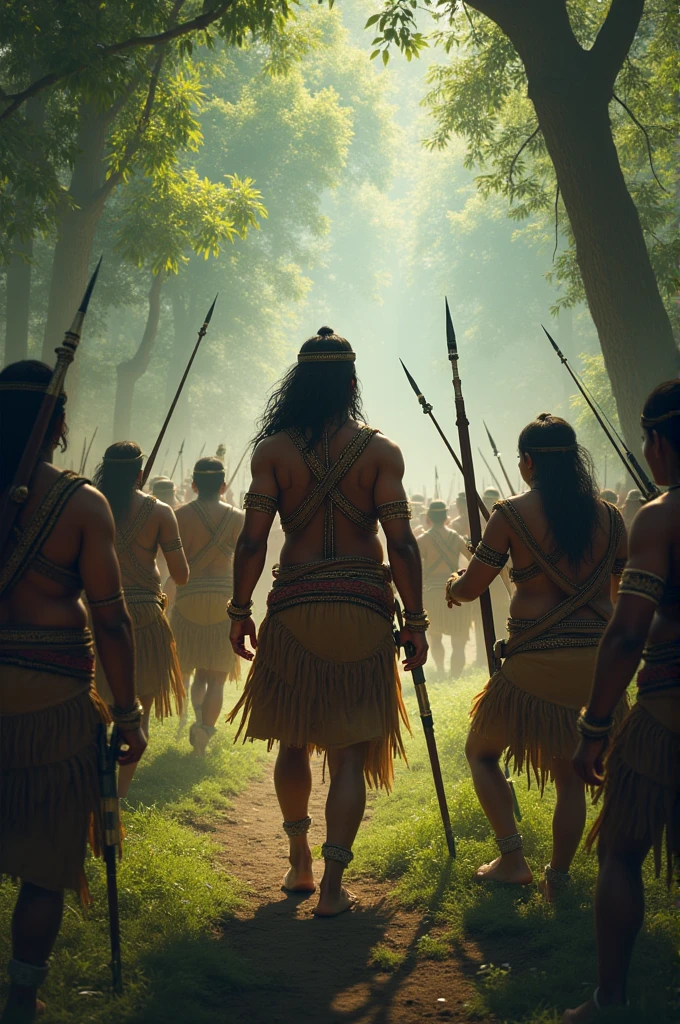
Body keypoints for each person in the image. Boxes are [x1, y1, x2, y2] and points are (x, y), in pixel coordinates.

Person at [227, 327, 426, 917]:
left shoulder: (274, 452)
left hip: (294, 611)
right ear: (351, 383)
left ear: (297, 384)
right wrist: (414, 620)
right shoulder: (381, 451)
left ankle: (298, 863)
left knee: (293, 738)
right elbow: (403, 546)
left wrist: (240, 609)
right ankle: (334, 891)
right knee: (349, 754)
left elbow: (251, 541)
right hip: (365, 611)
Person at [0, 361, 146, 1024]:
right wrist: (127, 710)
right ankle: (22, 999)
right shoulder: (82, 505)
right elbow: (111, 617)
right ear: (57, 425)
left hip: (50, 702)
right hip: (54, 704)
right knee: (44, 866)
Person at [447, 413, 628, 895]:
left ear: (528, 464)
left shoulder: (508, 514)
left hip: (531, 669)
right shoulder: (612, 517)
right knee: (573, 777)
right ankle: (559, 878)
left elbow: (471, 587)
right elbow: (613, 596)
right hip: (597, 668)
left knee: (480, 753)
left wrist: (451, 586)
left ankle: (512, 859)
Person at [564, 381, 680, 1022]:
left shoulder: (661, 515)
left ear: (657, 443)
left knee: (620, 852)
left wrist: (595, 725)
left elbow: (628, 632)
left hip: (667, 712)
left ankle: (610, 1000)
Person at [92, 442, 189, 794]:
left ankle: (94, 784)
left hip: (95, 614)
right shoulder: (160, 512)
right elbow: (181, 575)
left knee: (95, 706)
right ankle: (117, 795)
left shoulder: (87, 504)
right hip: (146, 618)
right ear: (139, 473)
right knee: (138, 711)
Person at [172, 457, 245, 755]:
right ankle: (203, 731)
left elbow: (172, 564)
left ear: (193, 486)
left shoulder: (179, 516)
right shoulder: (239, 518)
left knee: (198, 673)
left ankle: (199, 719)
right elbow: (245, 562)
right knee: (216, 678)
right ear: (224, 486)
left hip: (188, 601)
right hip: (224, 603)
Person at [417, 500, 469, 678]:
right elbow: (474, 560)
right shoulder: (456, 538)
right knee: (459, 640)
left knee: (435, 636)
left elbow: (413, 566)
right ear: (446, 517)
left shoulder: (422, 540)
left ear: (429, 518)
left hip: (432, 594)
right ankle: (454, 677)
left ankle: (440, 672)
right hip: (454, 592)